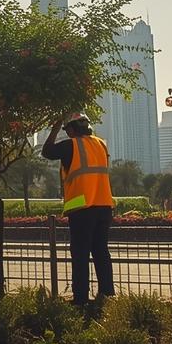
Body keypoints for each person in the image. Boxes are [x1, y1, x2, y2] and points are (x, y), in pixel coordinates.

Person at [43, 112, 115, 306]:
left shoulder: (71, 145)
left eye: (67, 130)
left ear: (73, 129)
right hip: (104, 206)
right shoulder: (101, 144)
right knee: (101, 252)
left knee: (81, 254)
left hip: (82, 208)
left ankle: (80, 299)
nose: (67, 134)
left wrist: (54, 128)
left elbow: (47, 151)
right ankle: (107, 295)